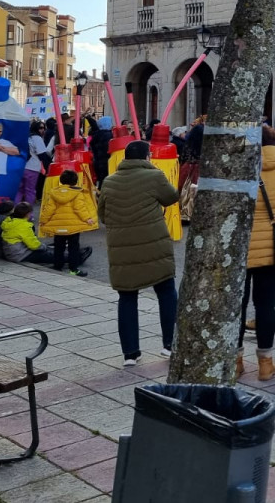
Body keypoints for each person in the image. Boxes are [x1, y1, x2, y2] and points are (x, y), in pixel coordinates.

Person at [98, 140, 180, 367]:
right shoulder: (154, 176)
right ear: (147, 157)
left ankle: (130, 354)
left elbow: (103, 214)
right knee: (166, 292)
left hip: (122, 248)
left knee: (126, 297)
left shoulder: (110, 181)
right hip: (154, 245)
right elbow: (172, 197)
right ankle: (170, 345)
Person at [235, 125, 275, 381]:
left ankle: (236, 360)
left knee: (238, 305)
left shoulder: (239, 170)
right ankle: (266, 363)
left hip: (241, 246)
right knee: (266, 306)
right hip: (271, 246)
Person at [40, 169, 97, 278]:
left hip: (58, 226)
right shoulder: (77, 193)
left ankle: (58, 266)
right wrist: (87, 219)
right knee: (73, 248)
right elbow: (79, 208)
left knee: (59, 247)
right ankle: (73, 269)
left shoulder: (54, 193)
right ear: (75, 181)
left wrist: (43, 221)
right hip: (73, 226)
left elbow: (49, 209)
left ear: (61, 181)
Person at [19, 120, 50, 206]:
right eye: (40, 128)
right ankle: (28, 214)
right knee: (30, 190)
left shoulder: (24, 136)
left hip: (20, 167)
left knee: (20, 190)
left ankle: (15, 212)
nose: (42, 130)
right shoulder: (37, 138)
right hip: (32, 167)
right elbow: (41, 154)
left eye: (44, 128)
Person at [90, 115, 114, 186]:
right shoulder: (108, 135)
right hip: (107, 162)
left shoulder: (96, 135)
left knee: (101, 181)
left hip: (98, 162)